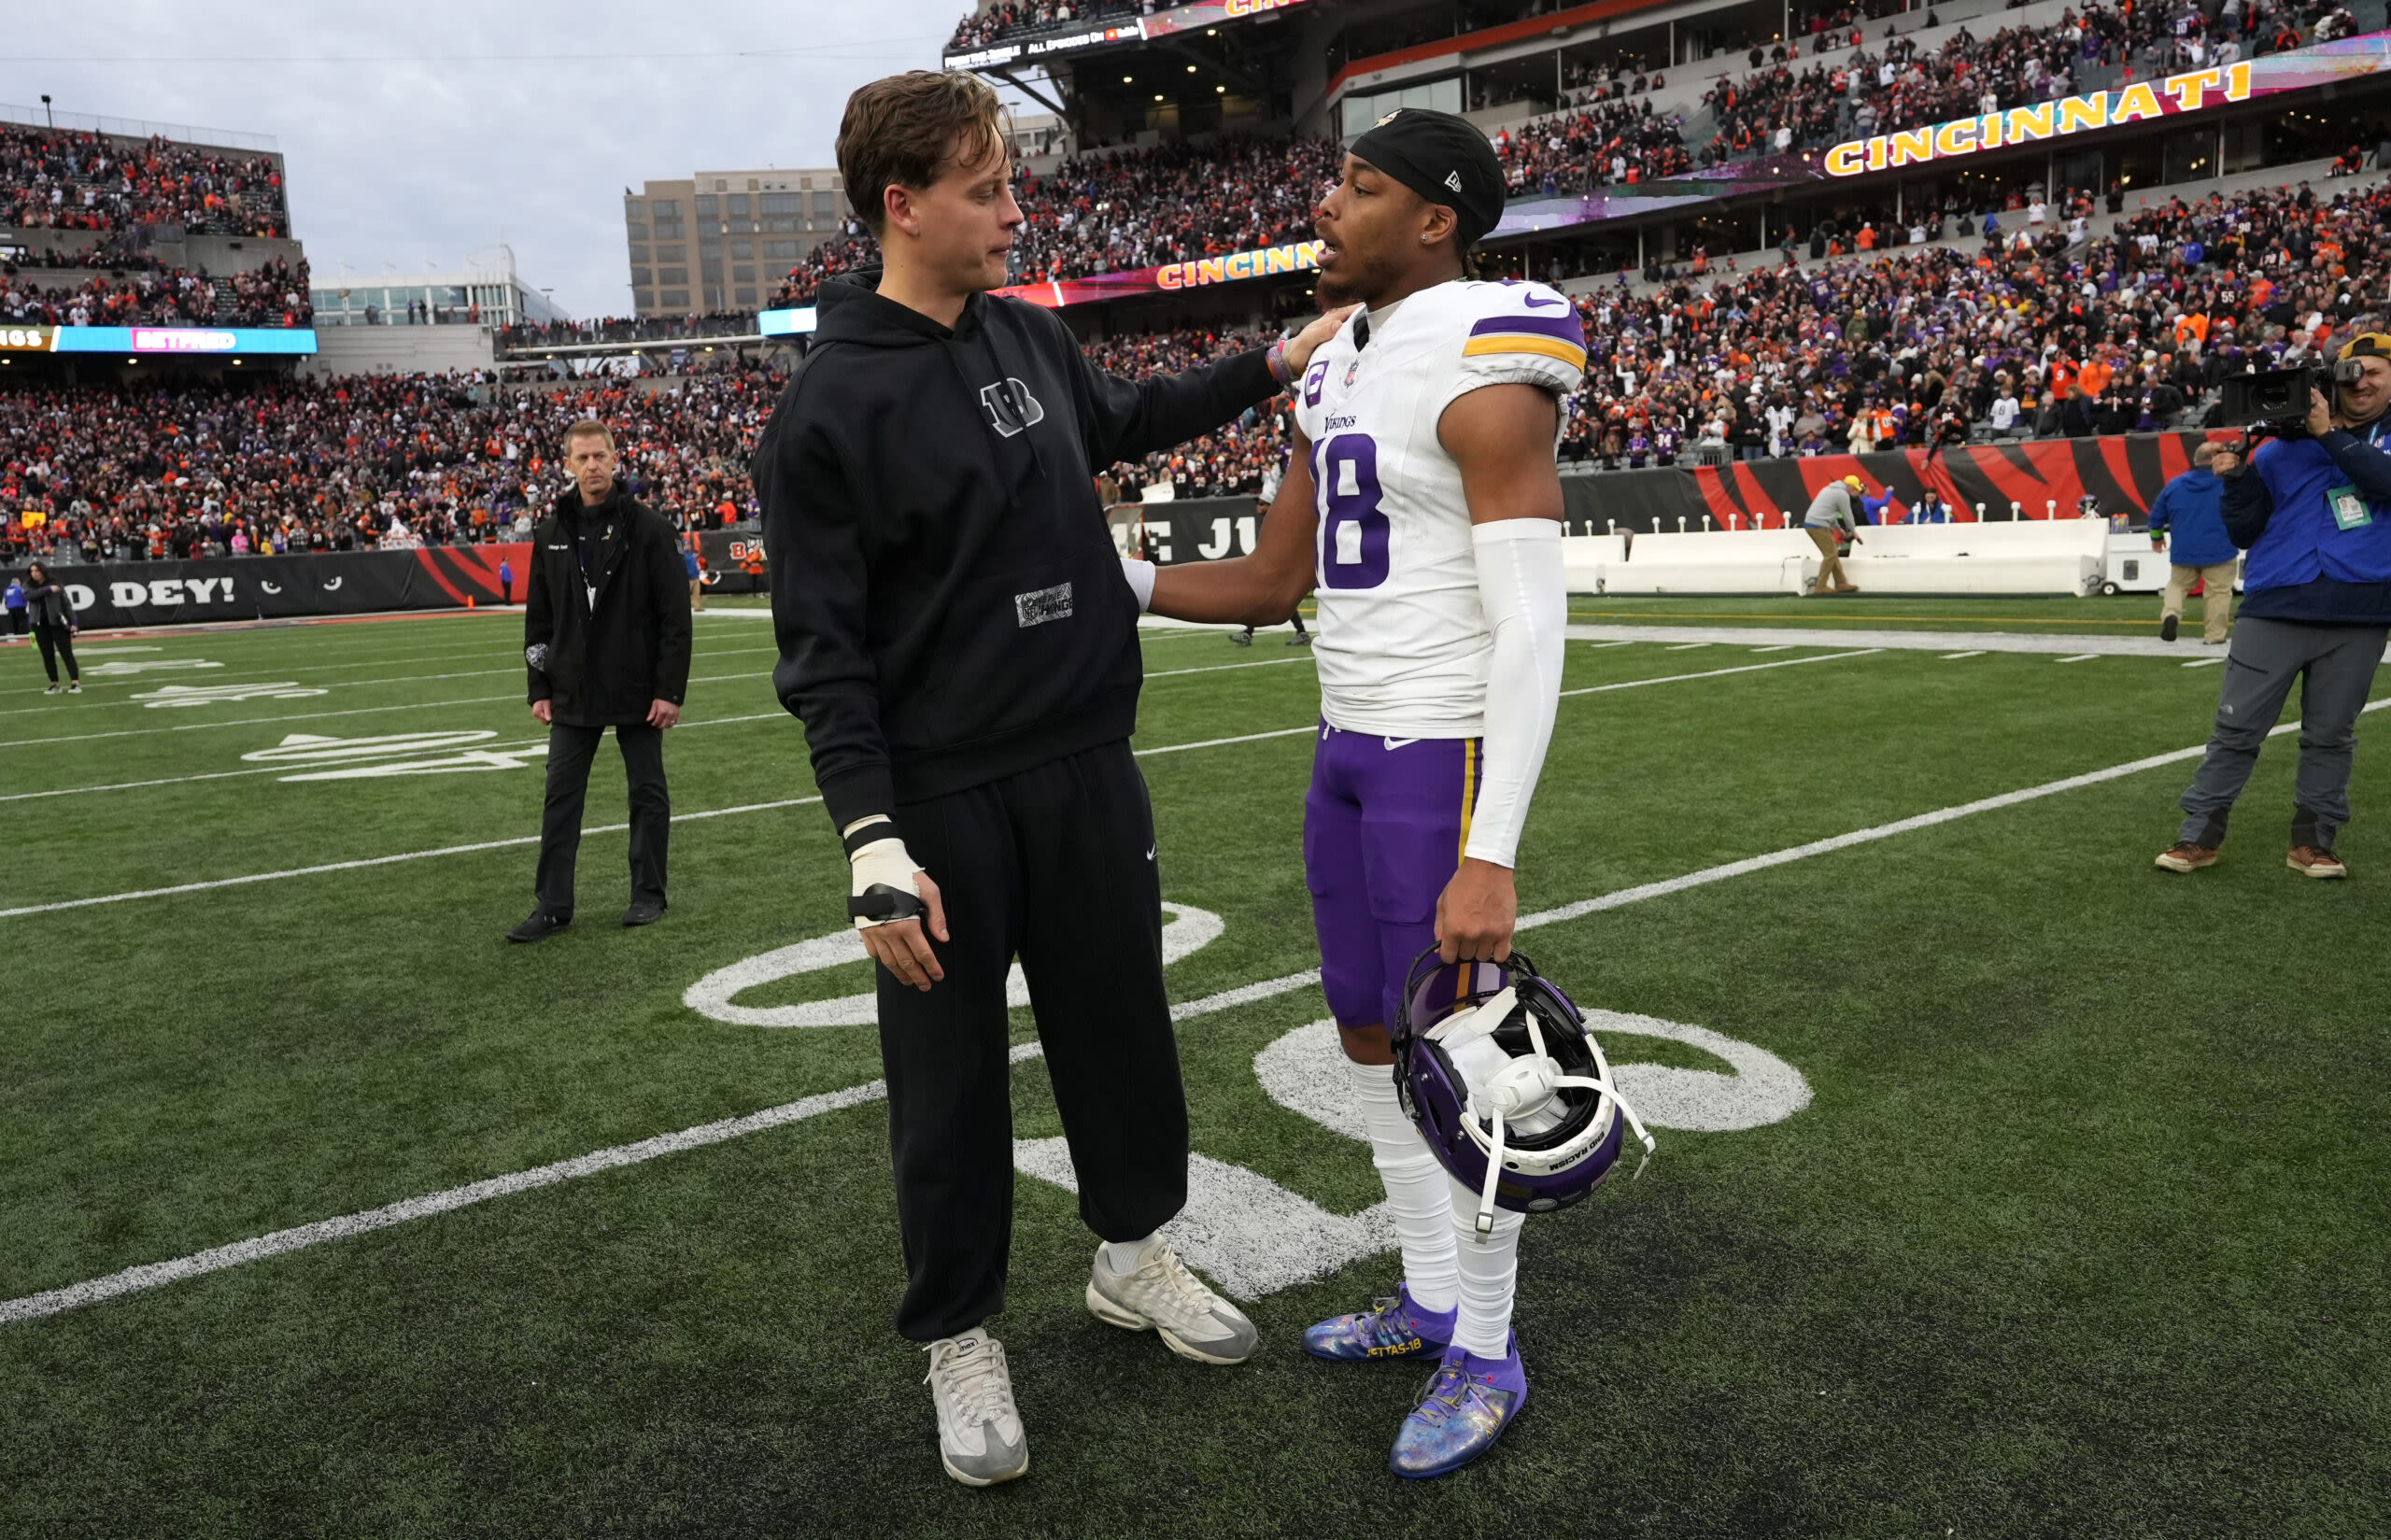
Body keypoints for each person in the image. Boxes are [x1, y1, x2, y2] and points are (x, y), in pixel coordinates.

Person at [755, 70, 1349, 1490]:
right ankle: (958, 1333)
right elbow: (823, 655)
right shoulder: (825, 412)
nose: (1016, 213)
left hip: (1087, 762)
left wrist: (1274, 365)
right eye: (986, 191)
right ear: (901, 207)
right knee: (947, 1081)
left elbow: (1131, 414)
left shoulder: (1027, 337)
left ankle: (1134, 1254)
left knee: (1121, 1031)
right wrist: (870, 839)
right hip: (945, 797)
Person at [1135, 107, 1573, 1480]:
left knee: (1466, 1072)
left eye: (1359, 185)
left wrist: (1490, 847)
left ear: (1435, 216)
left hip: (1440, 755)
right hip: (1343, 745)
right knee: (1373, 1049)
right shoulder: (1337, 366)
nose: (1326, 204)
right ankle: (1431, 1296)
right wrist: (1119, 582)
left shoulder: (1491, 353)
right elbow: (1274, 583)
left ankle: (1489, 1347)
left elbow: (1534, 625)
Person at [2157, 334, 2391, 879]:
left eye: (2374, 371)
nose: (2360, 380)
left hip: (2359, 610)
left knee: (2331, 734)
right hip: (2276, 600)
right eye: (2350, 371)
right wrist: (2236, 479)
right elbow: (2244, 529)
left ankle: (2313, 841)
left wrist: (2327, 433)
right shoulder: (2276, 441)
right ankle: (2198, 835)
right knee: (2236, 729)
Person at [508, 419, 693, 941]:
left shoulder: (651, 529)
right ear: (567, 464)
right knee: (560, 796)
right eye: (582, 457)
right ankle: (552, 905)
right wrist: (538, 686)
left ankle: (648, 894)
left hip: (637, 686)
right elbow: (538, 621)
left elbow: (676, 619)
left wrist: (669, 690)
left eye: (600, 456)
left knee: (647, 792)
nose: (592, 465)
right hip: (572, 688)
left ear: (616, 459)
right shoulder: (550, 533)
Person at [2146, 441, 2239, 643]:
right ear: (2216, 459)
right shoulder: (2228, 483)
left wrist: (2157, 538)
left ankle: (2171, 614)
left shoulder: (2175, 485)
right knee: (2218, 593)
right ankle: (2214, 636)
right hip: (2220, 548)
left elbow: (2156, 517)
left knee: (2177, 585)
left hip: (2184, 549)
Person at [21, 562, 80, 694]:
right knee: (47, 655)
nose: (34, 573)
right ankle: (55, 684)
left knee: (67, 653)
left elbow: (66, 604)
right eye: (32, 571)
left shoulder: (56, 582)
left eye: (36, 570)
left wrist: (74, 623)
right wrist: (48, 589)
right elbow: (29, 596)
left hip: (58, 624)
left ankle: (75, 683)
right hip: (39, 625)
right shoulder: (28, 585)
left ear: (43, 571)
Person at [1803, 475, 1866, 593]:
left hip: (1814, 523)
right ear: (1849, 486)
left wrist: (1838, 529)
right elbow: (1848, 515)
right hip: (1819, 525)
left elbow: (1829, 512)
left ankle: (1841, 583)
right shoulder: (1842, 495)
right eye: (1855, 489)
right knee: (1831, 555)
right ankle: (1820, 586)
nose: (1855, 492)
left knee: (1833, 553)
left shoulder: (1829, 489)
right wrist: (1853, 532)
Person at [683, 541, 705, 612]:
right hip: (688, 578)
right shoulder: (682, 556)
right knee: (685, 594)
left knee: (696, 593)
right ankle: (682, 608)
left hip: (695, 576)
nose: (688, 546)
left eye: (689, 544)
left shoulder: (691, 555)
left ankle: (697, 607)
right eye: (687, 545)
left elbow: (695, 566)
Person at [3, 573, 24, 641]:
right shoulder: (20, 588)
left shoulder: (7, 590)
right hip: (20, 607)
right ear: (18, 582)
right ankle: (24, 636)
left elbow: (6, 600)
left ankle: (16, 636)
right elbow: (26, 596)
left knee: (14, 623)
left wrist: (7, 605)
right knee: (22, 621)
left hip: (11, 608)